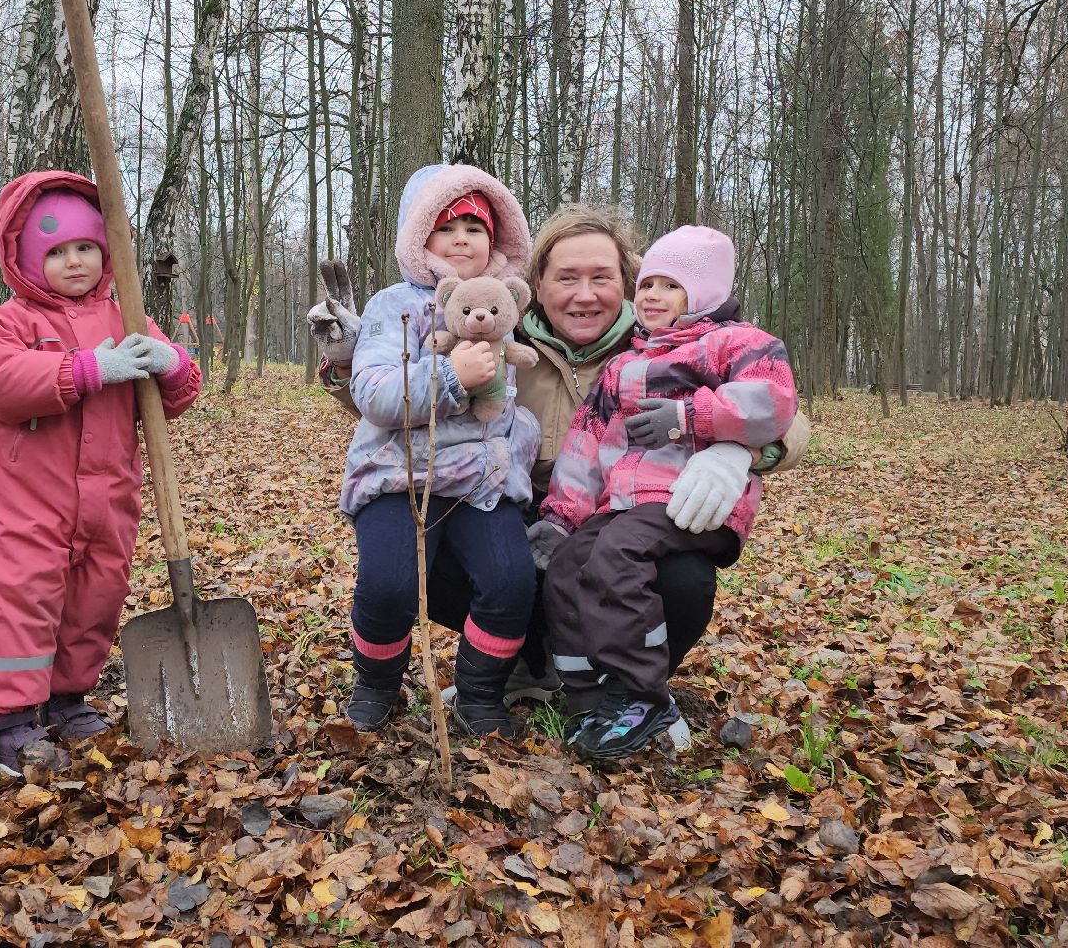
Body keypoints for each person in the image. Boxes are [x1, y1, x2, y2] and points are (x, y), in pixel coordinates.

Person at [313, 205, 809, 730]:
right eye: (566, 278)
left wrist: (741, 452)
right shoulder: (500, 335)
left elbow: (784, 411)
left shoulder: (666, 346)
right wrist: (346, 363)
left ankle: (633, 689)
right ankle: (523, 664)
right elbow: (402, 408)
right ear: (536, 286)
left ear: (628, 283)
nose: (584, 294)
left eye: (602, 278)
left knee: (685, 577)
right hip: (517, 506)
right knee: (448, 555)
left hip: (621, 518)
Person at [0, 170, 203, 775]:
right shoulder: (7, 323)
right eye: (56, 251)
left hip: (107, 497)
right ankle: (8, 723)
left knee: (94, 598)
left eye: (86, 247)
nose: (74, 261)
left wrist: (172, 363)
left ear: (106, 251)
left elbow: (173, 398)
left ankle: (67, 698)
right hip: (24, 500)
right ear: (25, 260)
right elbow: (0, 385)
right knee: (21, 598)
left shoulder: (128, 318)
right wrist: (87, 369)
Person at [533, 225, 797, 760]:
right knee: (567, 565)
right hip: (624, 500)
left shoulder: (737, 343)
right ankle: (589, 696)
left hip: (691, 497)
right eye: (648, 284)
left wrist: (696, 420)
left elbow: (773, 403)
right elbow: (586, 445)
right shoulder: (625, 364)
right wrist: (560, 518)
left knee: (616, 557)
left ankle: (641, 693)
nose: (653, 295)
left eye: (671, 286)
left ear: (703, 295)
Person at [338, 164, 541, 739]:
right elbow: (373, 392)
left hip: (482, 477)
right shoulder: (392, 305)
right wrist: (450, 376)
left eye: (475, 228)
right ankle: (376, 685)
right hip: (399, 473)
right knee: (389, 585)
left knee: (510, 580)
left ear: (495, 240)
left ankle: (480, 693)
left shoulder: (505, 307)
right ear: (418, 237)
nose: (461, 239)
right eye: (445, 228)